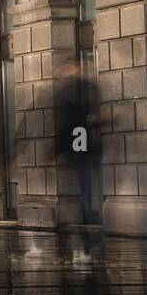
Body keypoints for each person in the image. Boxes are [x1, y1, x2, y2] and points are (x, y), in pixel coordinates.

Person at [54, 59, 101, 224]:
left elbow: (68, 121)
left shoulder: (69, 92)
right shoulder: (81, 89)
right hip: (83, 140)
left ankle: (90, 212)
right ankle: (90, 212)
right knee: (87, 178)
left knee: (87, 179)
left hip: (81, 141)